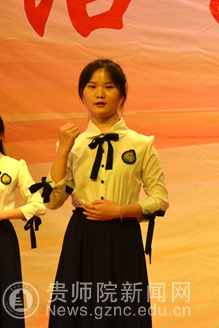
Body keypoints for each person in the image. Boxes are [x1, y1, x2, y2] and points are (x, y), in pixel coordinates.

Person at [45, 59, 169, 327]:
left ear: (122, 95)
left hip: (123, 235)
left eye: (108, 87)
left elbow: (160, 199)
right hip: (82, 237)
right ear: (82, 94)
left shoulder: (141, 144)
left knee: (123, 313)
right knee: (77, 314)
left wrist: (120, 210)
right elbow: (52, 201)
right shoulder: (72, 144)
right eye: (92, 87)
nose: (99, 94)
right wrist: (62, 151)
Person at [0, 116, 46, 327]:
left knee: (6, 300)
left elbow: (38, 205)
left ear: (1, 136)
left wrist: (3, 214)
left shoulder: (14, 166)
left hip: (2, 238)